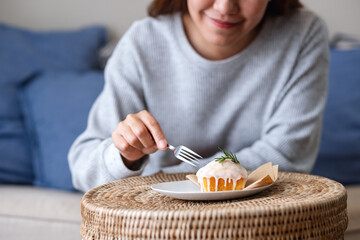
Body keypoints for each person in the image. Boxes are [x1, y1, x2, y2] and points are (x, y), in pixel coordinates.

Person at [68, 0, 329, 192]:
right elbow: (83, 169)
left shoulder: (303, 34)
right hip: (159, 217)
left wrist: (163, 179)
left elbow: (289, 155)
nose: (226, 7)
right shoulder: (142, 42)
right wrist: (124, 156)